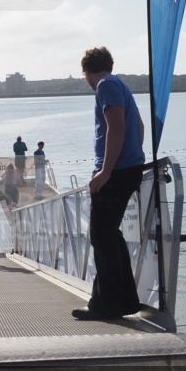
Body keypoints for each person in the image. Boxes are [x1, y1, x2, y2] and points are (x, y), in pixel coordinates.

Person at [72, 47, 148, 320]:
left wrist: (106, 171)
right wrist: (133, 156)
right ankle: (124, 301)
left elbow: (116, 127)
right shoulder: (120, 84)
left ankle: (107, 305)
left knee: (101, 236)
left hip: (116, 172)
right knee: (109, 235)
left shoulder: (105, 85)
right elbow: (139, 127)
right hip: (126, 168)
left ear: (87, 71)